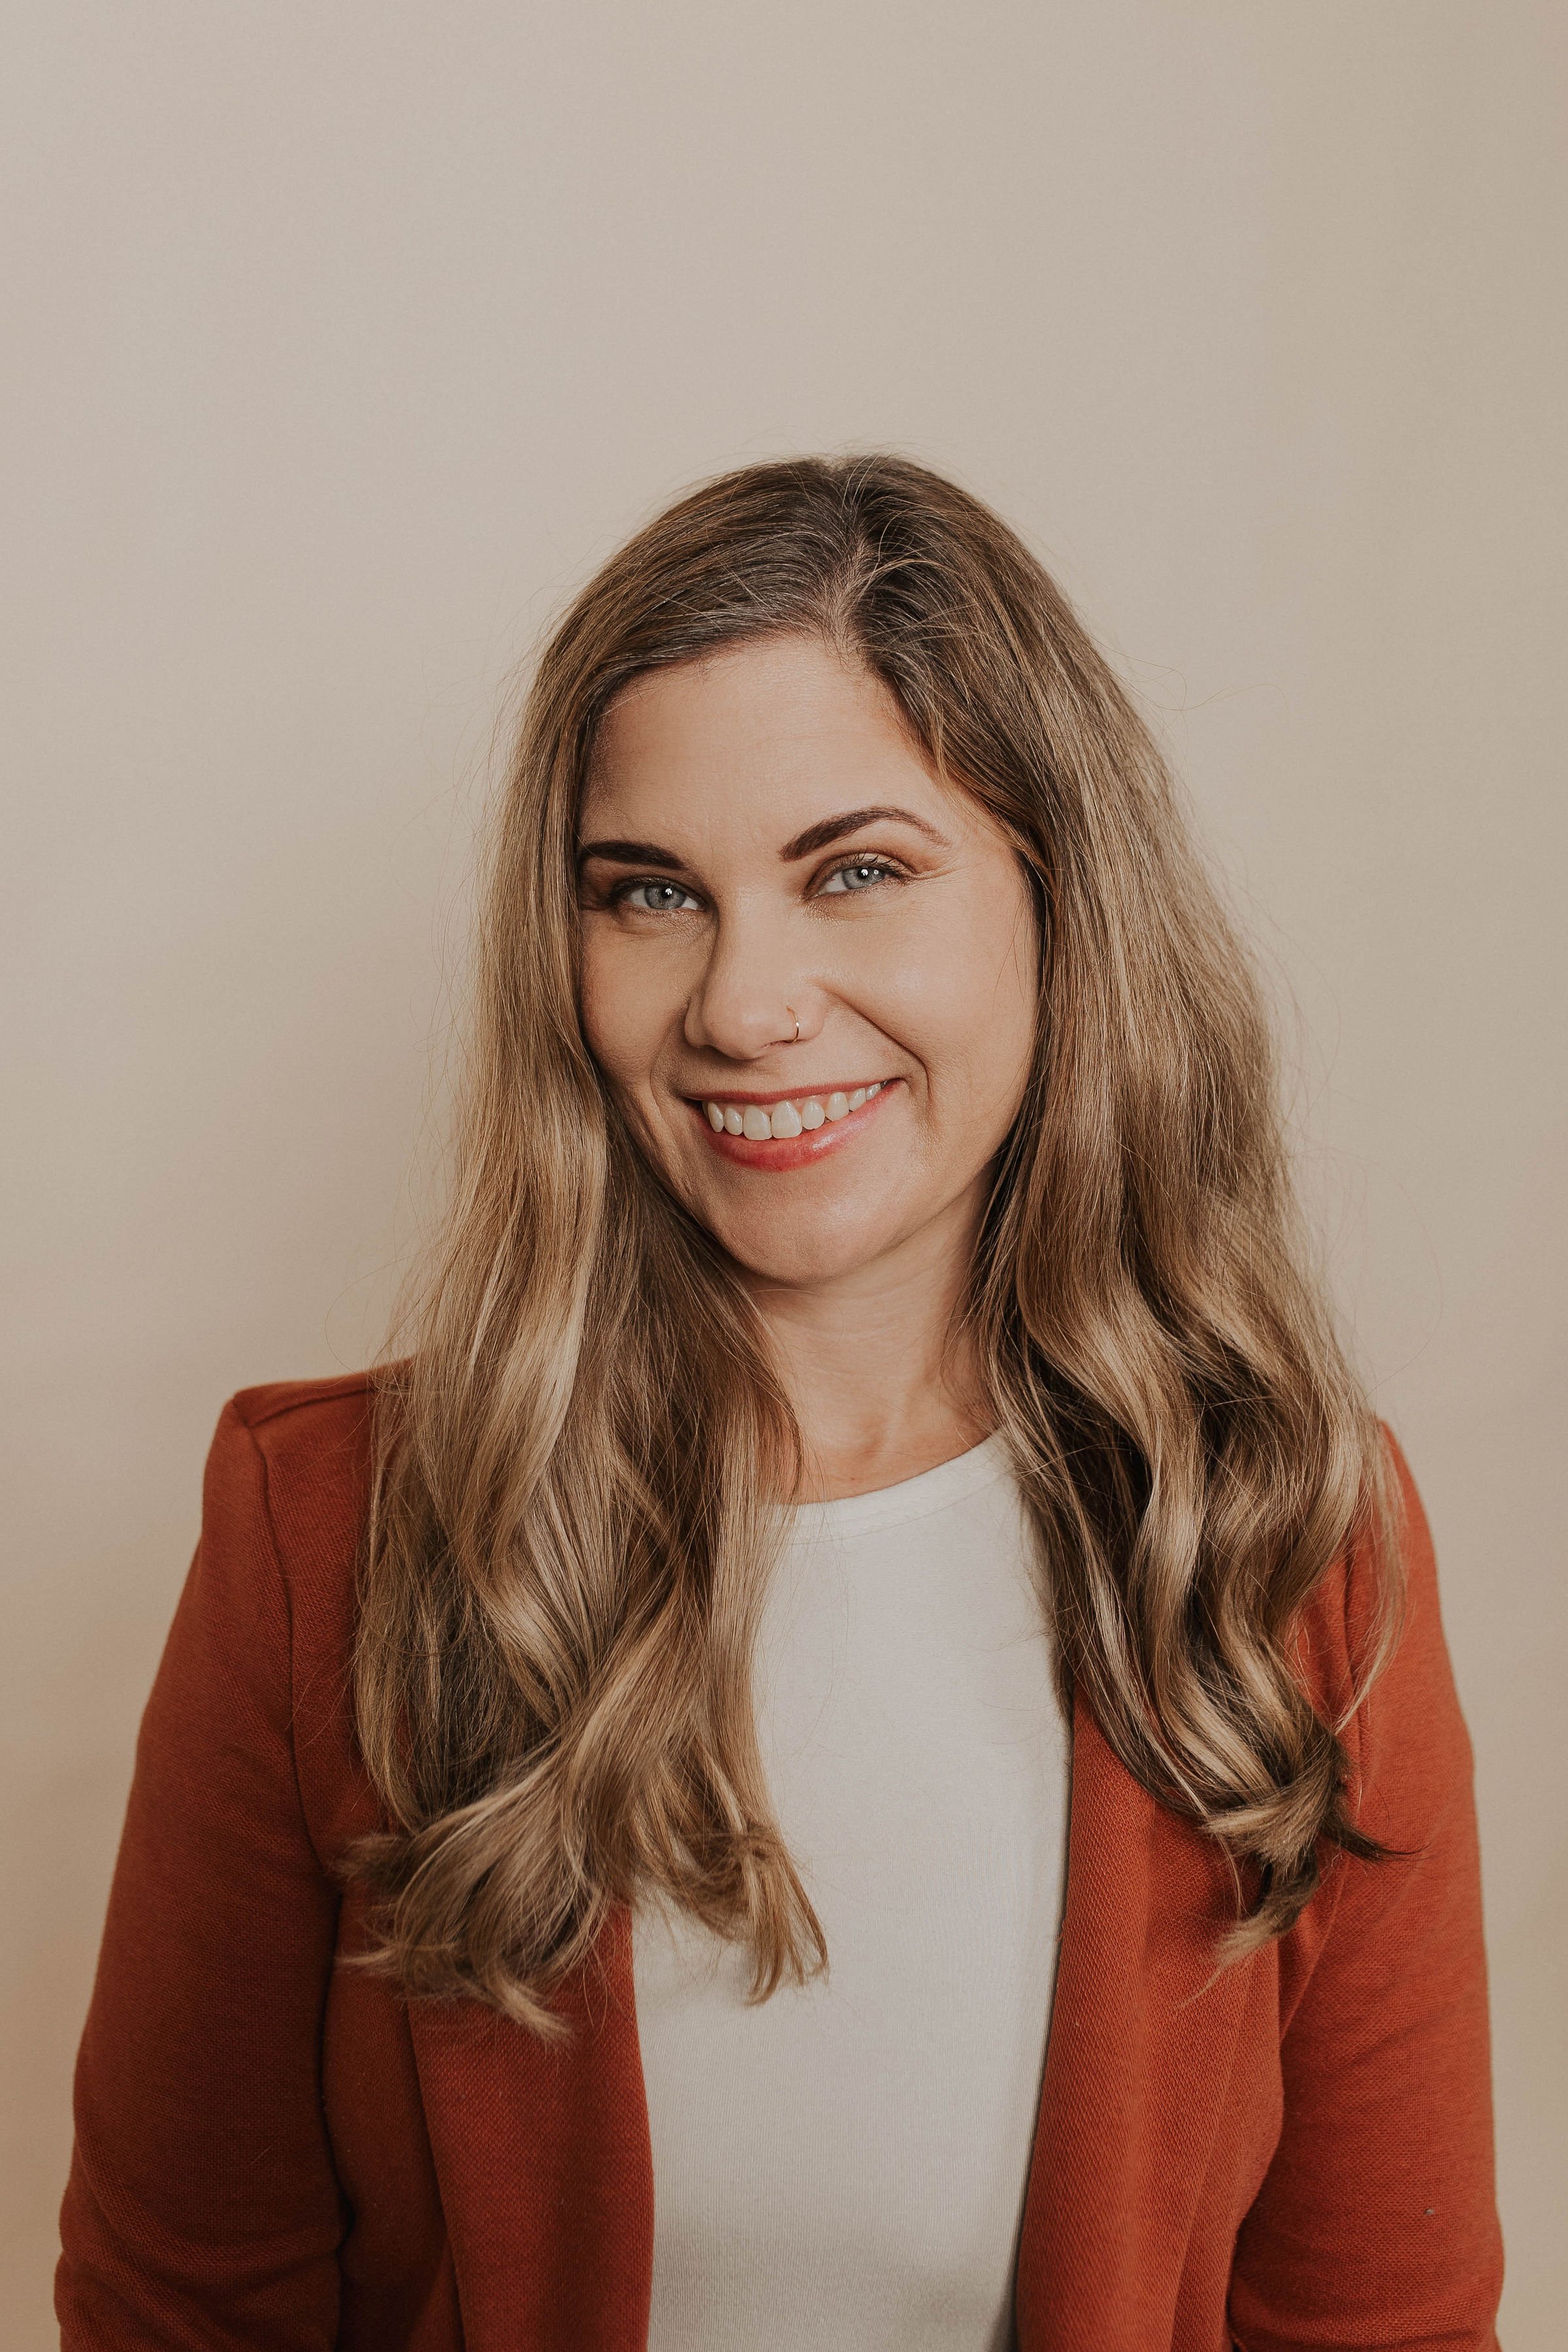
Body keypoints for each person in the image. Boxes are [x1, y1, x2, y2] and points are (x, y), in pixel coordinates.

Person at [56, 456, 1503, 2351]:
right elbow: (185, 2310)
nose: (744, 1002)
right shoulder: (323, 1534)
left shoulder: (1286, 1541)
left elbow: (1380, 2325)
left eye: (859, 872)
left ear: (1059, 900)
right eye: (651, 893)